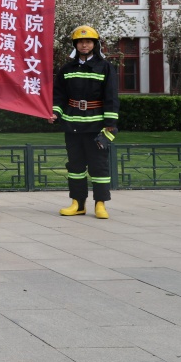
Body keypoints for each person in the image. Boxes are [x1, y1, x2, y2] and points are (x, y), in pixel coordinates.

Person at [52, 25, 120, 219]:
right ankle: (78, 203)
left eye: (88, 42)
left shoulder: (105, 67)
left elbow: (111, 97)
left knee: (99, 166)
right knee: (75, 166)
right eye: (80, 42)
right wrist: (55, 113)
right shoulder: (67, 69)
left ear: (95, 44)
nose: (84, 45)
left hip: (97, 126)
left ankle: (100, 204)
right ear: (75, 44)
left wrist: (110, 123)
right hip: (72, 124)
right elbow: (59, 95)